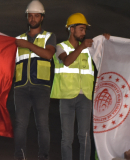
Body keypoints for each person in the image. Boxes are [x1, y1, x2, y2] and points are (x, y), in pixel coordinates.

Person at [51, 13, 99, 160]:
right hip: (66, 97)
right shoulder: (59, 47)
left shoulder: (89, 50)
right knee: (67, 137)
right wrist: (82, 47)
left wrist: (107, 39)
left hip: (85, 96)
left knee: (84, 136)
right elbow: (66, 61)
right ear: (71, 30)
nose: (84, 33)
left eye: (85, 30)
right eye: (81, 29)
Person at [13, 0, 57, 160]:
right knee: (20, 125)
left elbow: (48, 55)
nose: (33, 19)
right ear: (27, 17)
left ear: (42, 17)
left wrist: (27, 45)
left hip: (41, 87)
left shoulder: (49, 36)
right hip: (20, 87)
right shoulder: (17, 39)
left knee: (42, 125)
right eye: (30, 16)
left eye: (36, 16)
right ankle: (20, 156)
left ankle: (43, 157)